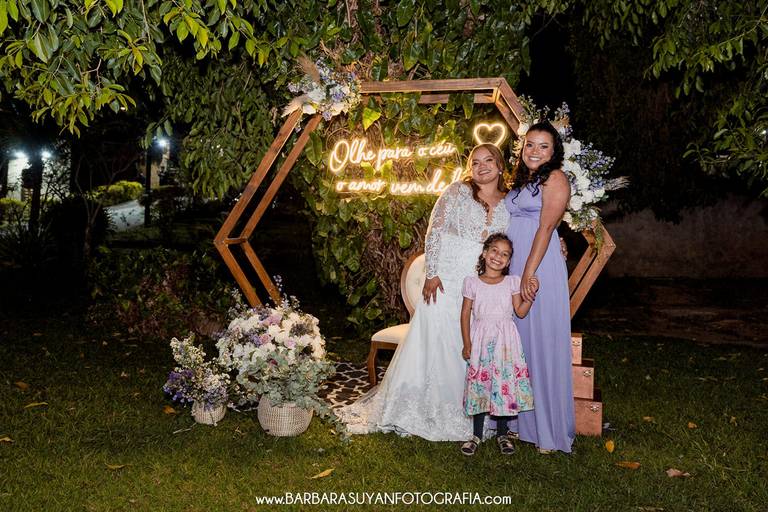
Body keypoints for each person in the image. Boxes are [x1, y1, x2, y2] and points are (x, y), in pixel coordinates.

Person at [337, 143, 509, 441]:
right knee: (435, 341)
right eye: (475, 162)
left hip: (479, 283)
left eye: (488, 160)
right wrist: (431, 273)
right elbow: (434, 230)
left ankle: (468, 408)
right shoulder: (457, 192)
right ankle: (417, 408)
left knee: (468, 342)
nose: (481, 167)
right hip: (445, 279)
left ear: (500, 166)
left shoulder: (510, 202)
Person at [505, 121, 575, 453]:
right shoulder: (524, 180)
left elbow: (546, 228)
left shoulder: (555, 178)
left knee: (543, 345)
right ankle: (522, 425)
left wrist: (527, 274)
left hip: (538, 266)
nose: (534, 151)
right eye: (530, 144)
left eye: (543, 146)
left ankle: (549, 432)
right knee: (522, 346)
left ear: (554, 151)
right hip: (516, 262)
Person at [459, 233, 536, 456]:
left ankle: (503, 434)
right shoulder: (472, 282)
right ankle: (476, 435)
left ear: (509, 261)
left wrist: (530, 294)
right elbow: (465, 314)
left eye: (505, 254)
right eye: (494, 250)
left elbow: (520, 312)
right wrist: (467, 343)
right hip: (481, 341)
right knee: (480, 385)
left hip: (506, 343)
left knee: (503, 385)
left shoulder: (512, 282)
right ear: (484, 253)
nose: (498, 257)